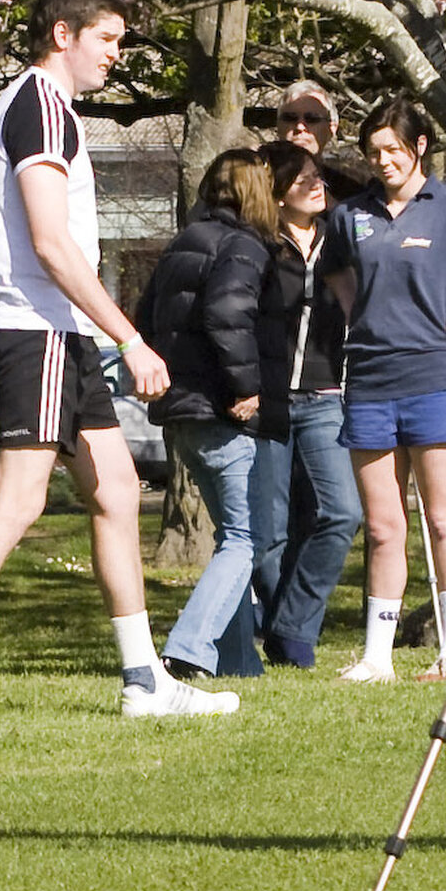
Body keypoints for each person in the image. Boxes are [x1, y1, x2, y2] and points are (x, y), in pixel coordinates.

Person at [0, 0, 235, 716]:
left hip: (59, 331)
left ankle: (143, 679)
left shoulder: (55, 110)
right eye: (107, 38)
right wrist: (129, 335)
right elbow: (49, 242)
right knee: (15, 500)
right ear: (63, 36)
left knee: (119, 488)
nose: (115, 56)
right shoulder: (37, 105)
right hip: (31, 327)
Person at [327, 96, 446, 680]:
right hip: (368, 381)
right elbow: (336, 268)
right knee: (385, 526)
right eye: (373, 153)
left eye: (392, 150)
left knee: (444, 519)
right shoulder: (350, 215)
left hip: (439, 380)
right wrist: (352, 308)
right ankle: (375, 658)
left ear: (420, 148)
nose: (382, 162)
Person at [140, 143, 281, 684]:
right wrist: (247, 386)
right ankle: (189, 647)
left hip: (181, 410)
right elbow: (228, 313)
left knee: (232, 538)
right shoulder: (243, 244)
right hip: (221, 409)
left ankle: (239, 661)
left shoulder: (185, 241)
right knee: (246, 539)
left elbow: (145, 315)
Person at [249, 144, 360, 670]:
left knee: (342, 513)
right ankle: (287, 640)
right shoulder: (258, 244)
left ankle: (290, 628)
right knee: (268, 534)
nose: (316, 185)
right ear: (276, 190)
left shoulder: (340, 239)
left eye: (319, 176)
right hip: (266, 400)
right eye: (302, 179)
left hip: (324, 398)